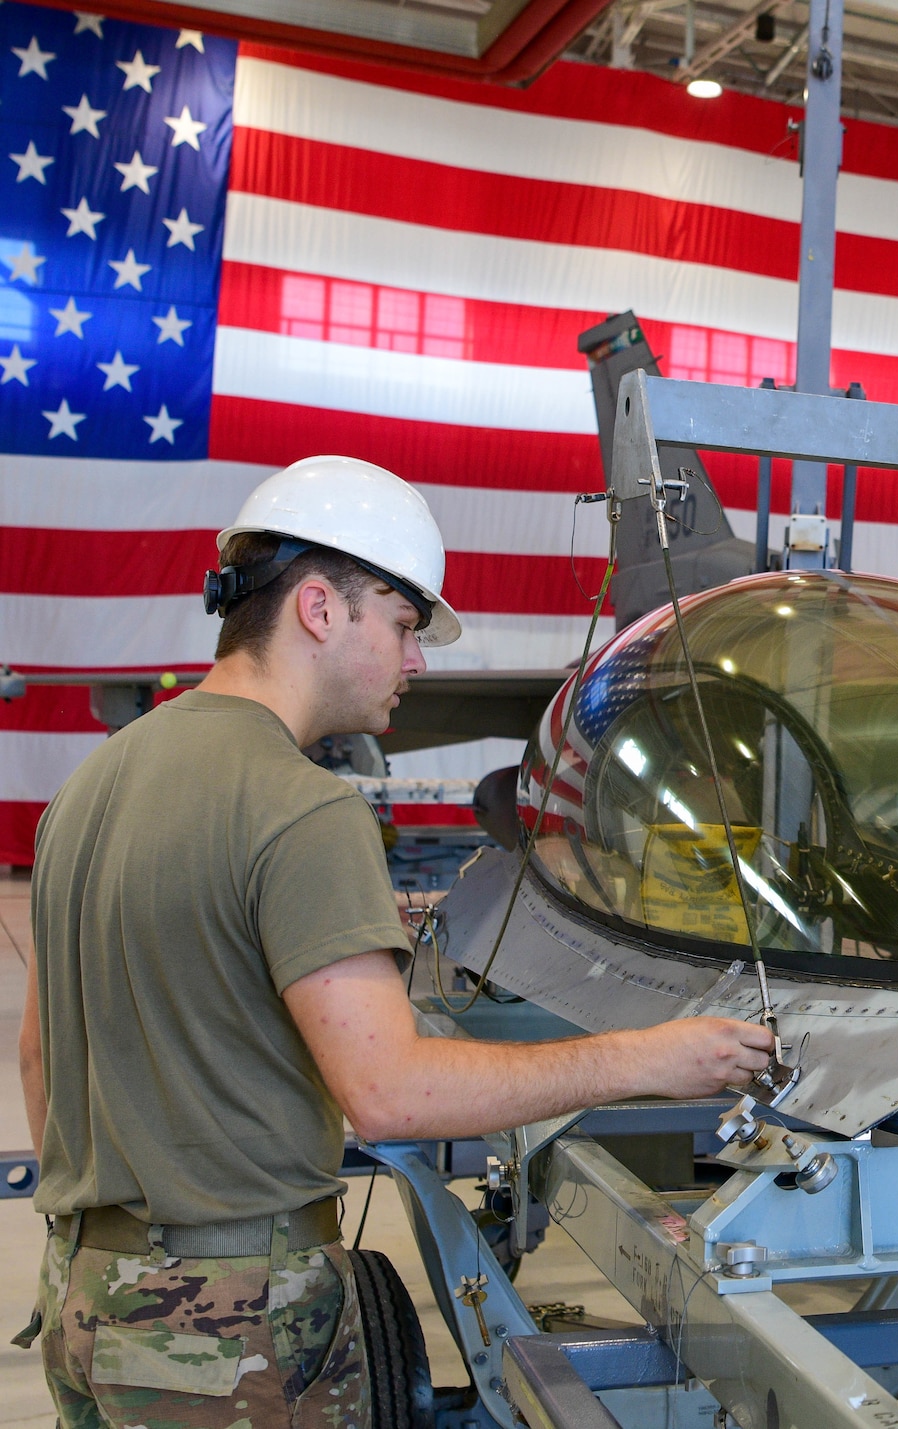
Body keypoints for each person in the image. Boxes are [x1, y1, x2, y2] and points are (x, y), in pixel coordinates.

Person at [17, 456, 778, 1427]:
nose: (417, 661)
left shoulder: (89, 784)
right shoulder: (298, 807)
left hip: (87, 1298)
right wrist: (649, 1058)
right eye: (407, 625)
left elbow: (41, 1052)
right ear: (322, 609)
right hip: (228, 1320)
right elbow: (387, 1093)